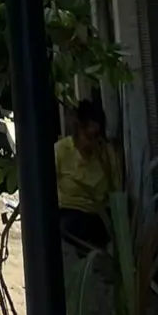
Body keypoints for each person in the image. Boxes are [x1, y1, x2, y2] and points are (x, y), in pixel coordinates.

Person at [55, 100, 121, 251]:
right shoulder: (61, 151)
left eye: (96, 136)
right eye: (88, 136)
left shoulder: (107, 154)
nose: (92, 142)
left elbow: (116, 192)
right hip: (70, 211)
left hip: (98, 214)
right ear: (78, 130)